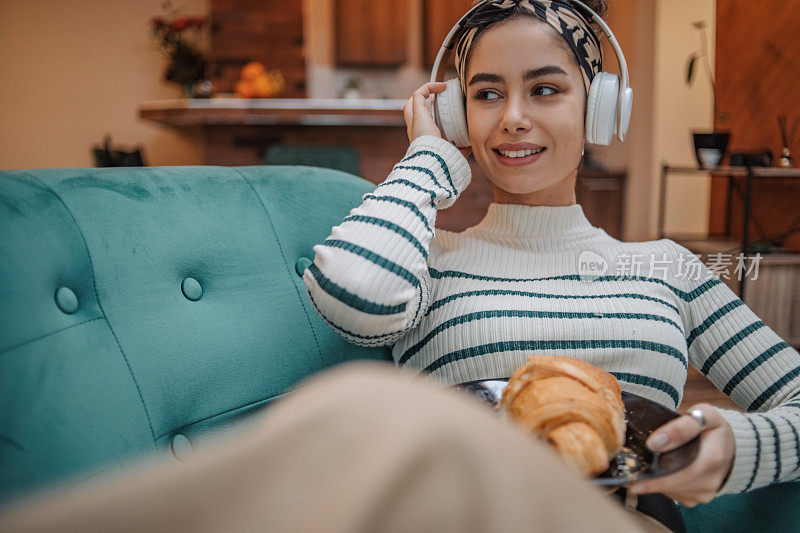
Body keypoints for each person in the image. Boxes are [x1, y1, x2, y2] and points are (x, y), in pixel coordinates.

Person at [301, 0, 800, 530]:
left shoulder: (666, 269)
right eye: (487, 94)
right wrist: (428, 154)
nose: (513, 118)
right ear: (457, 115)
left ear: (600, 110)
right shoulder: (429, 262)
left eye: (545, 89)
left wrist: (739, 449)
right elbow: (353, 293)